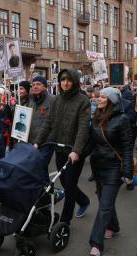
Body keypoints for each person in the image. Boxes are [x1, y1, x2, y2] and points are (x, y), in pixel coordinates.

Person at [35, 69, 91, 224]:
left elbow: (83, 128)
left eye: (69, 80)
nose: (65, 83)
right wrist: (37, 142)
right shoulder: (56, 100)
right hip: (59, 148)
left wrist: (76, 150)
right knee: (65, 183)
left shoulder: (83, 100)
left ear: (74, 82)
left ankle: (65, 221)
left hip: (74, 151)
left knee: (70, 185)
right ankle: (84, 200)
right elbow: (48, 123)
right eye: (62, 80)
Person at [86, 87, 134, 256]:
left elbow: (128, 148)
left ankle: (96, 243)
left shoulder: (122, 120)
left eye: (102, 97)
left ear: (112, 101)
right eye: (98, 96)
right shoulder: (96, 118)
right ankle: (113, 227)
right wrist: (77, 153)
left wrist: (128, 173)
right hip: (98, 165)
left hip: (114, 168)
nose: (97, 99)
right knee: (104, 201)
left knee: (104, 205)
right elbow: (91, 143)